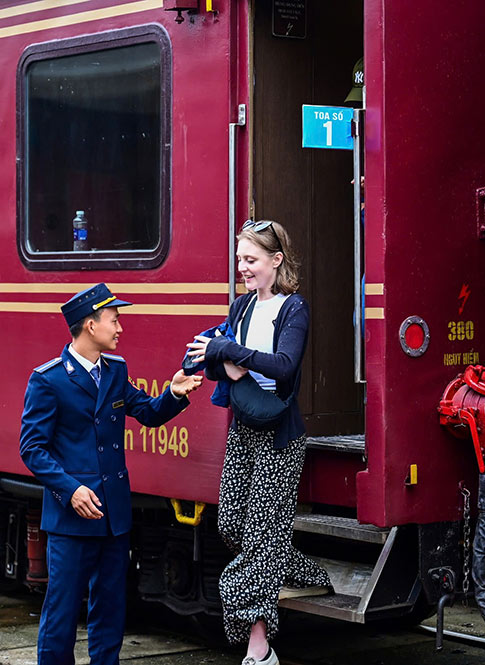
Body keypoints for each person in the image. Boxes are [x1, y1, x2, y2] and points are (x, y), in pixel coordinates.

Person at [20, 283, 203, 665]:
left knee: (110, 611)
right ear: (90, 325)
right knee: (62, 612)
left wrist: (175, 393)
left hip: (113, 516)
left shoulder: (115, 371)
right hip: (72, 518)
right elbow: (32, 449)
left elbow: (149, 414)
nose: (120, 328)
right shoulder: (48, 379)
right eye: (114, 320)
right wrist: (70, 491)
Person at [186, 220, 331, 665]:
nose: (242, 268)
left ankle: (259, 645)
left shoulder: (294, 308)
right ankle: (308, 573)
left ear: (276, 261)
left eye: (250, 260)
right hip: (243, 428)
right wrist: (227, 358)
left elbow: (284, 367)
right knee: (232, 523)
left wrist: (232, 356)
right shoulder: (242, 307)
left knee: (263, 535)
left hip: (279, 435)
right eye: (239, 260)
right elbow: (211, 357)